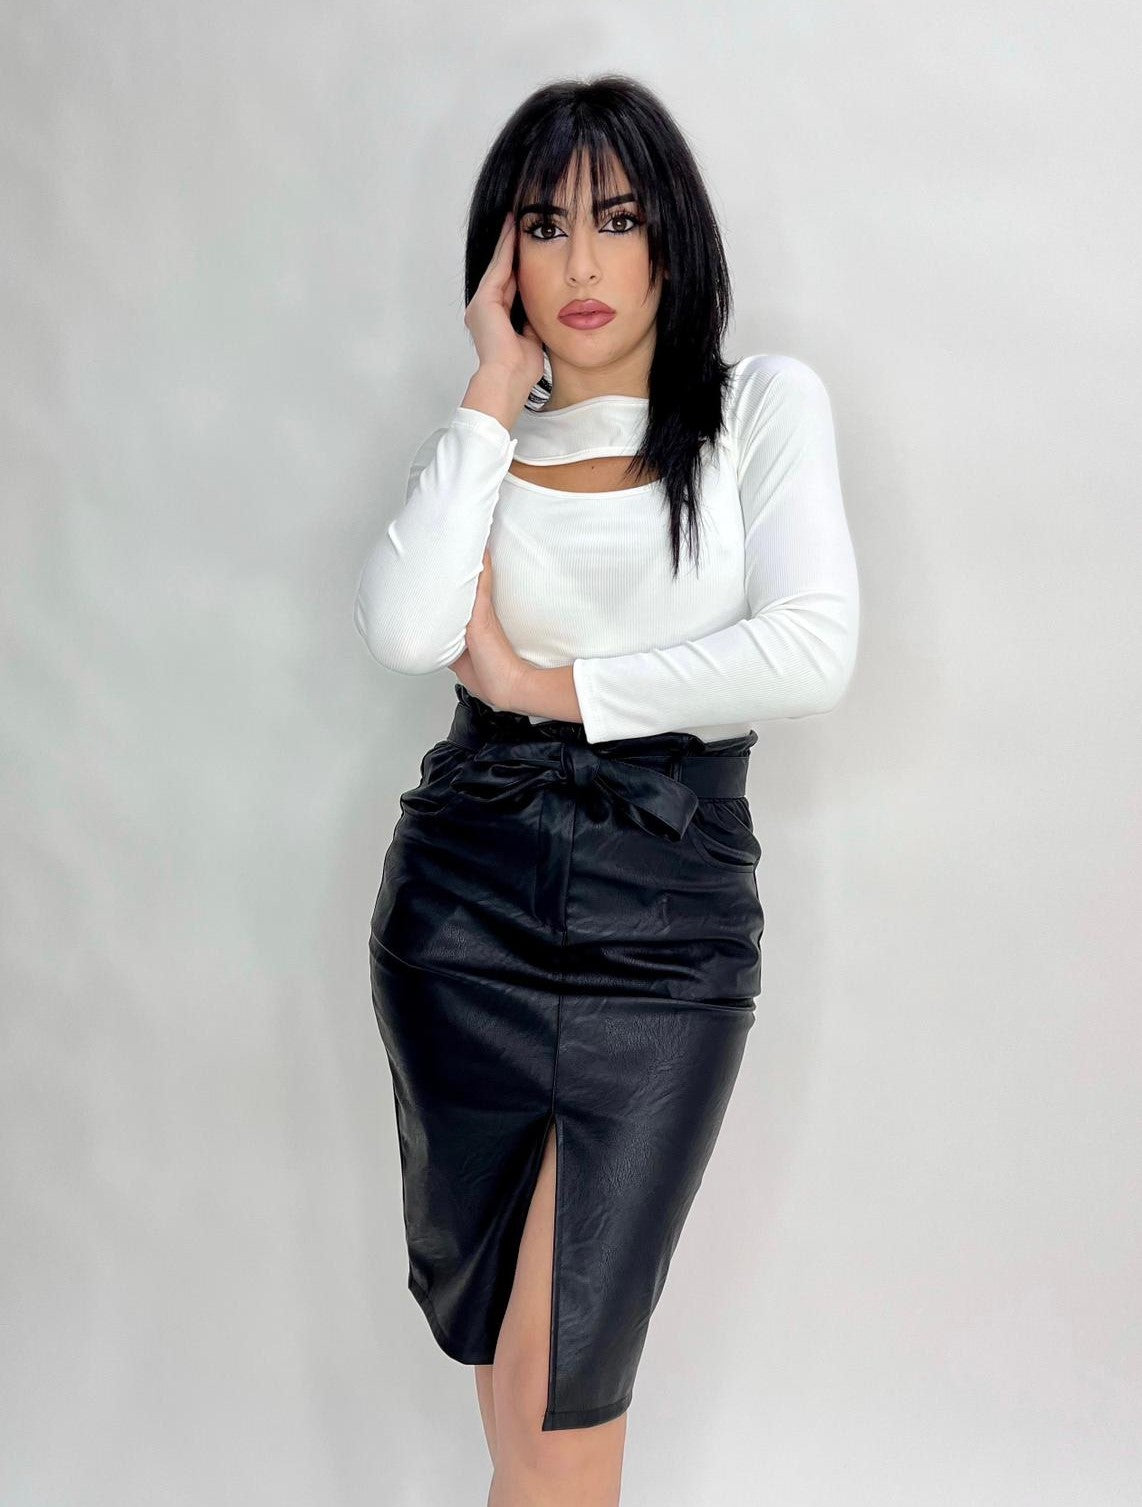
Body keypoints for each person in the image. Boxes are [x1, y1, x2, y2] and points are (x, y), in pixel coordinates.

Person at [354, 74, 859, 1507]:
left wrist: (544, 685)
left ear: (672, 242)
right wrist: (485, 388)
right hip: (465, 915)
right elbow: (403, 629)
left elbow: (810, 650)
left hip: (668, 925)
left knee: (567, 1385)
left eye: (618, 220)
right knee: (517, 1391)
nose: (581, 261)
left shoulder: (755, 409)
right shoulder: (487, 448)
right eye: (544, 225)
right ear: (499, 261)